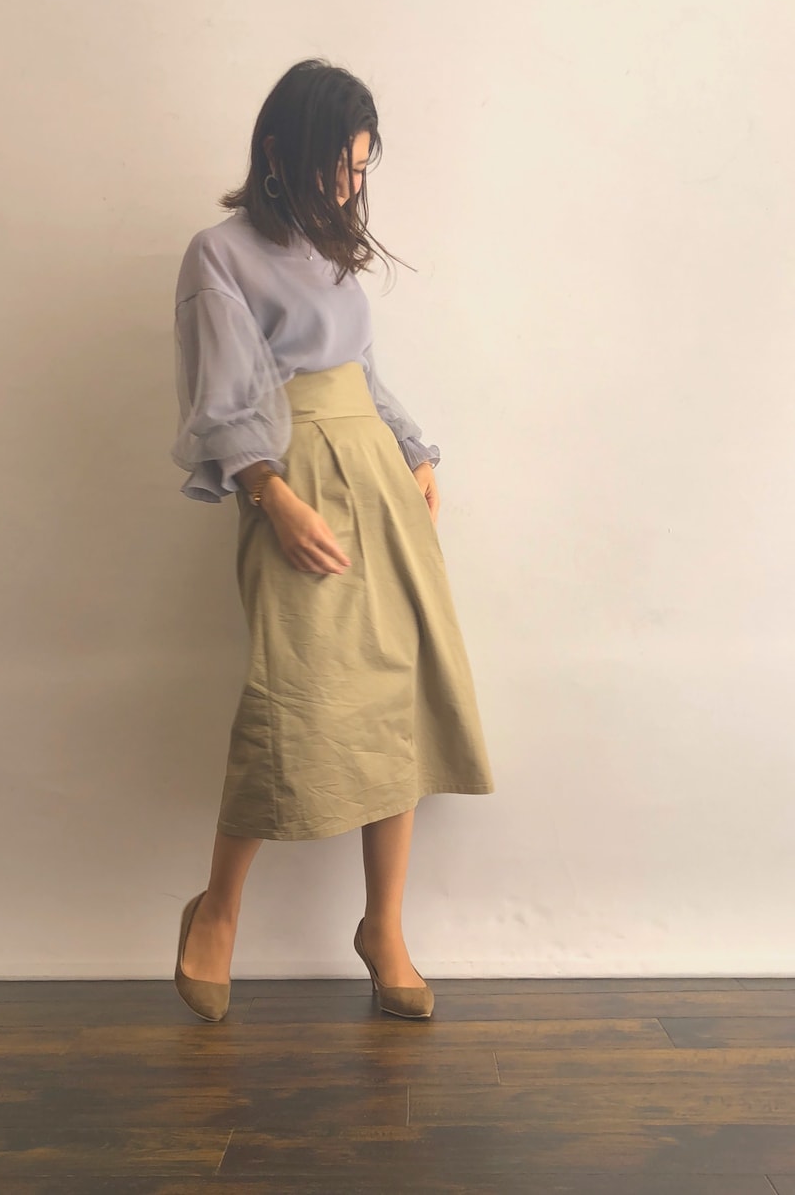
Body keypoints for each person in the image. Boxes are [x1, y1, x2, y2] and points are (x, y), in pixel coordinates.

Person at [169, 59, 494, 1021]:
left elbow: (364, 369)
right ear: (278, 153)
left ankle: (382, 928)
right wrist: (272, 497)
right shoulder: (219, 255)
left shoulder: (333, 249)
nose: (350, 187)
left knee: (395, 695)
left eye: (360, 169)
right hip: (295, 483)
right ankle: (217, 910)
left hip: (380, 481)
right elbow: (221, 397)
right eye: (336, 166)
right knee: (289, 699)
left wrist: (415, 450)